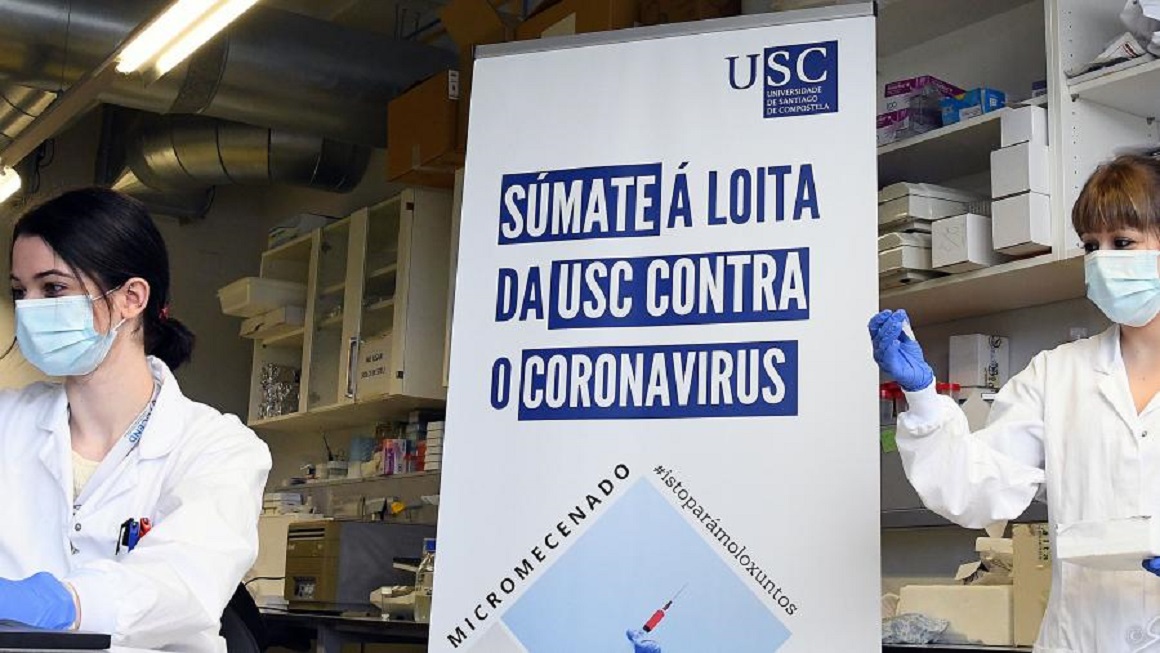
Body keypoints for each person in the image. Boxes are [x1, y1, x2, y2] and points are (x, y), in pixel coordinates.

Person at [869, 154, 1160, 651]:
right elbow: (973, 488)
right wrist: (922, 397)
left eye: (1123, 243)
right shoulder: (1056, 375)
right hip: (1081, 639)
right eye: (1092, 246)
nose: (1103, 261)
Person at [0, 188, 271, 651]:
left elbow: (184, 583)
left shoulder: (218, 447)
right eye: (20, 291)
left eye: (53, 288)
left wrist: (62, 602)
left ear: (131, 297)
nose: (29, 308)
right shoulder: (8, 422)